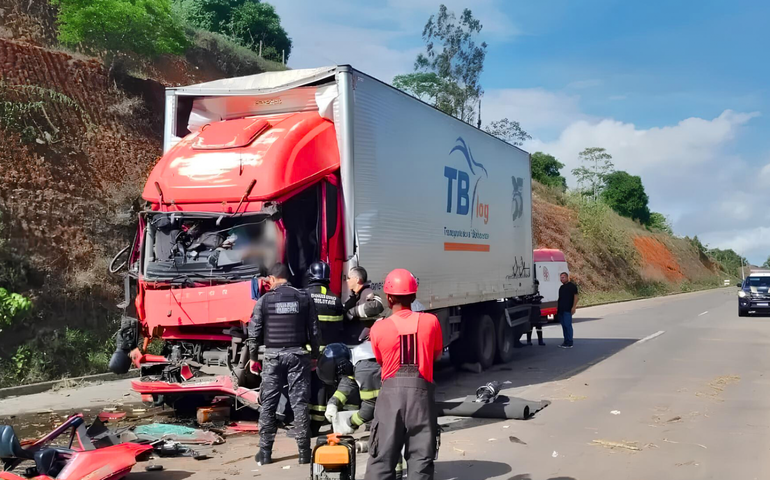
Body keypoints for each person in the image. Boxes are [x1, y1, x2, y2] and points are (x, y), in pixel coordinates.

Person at [364, 269, 443, 480]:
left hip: (390, 398)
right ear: (414, 296)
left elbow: (381, 361)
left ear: (388, 298)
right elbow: (436, 355)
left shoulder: (378, 329)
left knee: (381, 458)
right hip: (421, 397)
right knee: (421, 459)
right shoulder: (431, 322)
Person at [247, 263, 321, 466]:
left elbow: (253, 333)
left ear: (271, 279)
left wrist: (253, 358)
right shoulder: (304, 298)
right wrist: (315, 355)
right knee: (300, 405)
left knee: (268, 406)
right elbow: (314, 330)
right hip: (298, 356)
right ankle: (304, 454)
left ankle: (265, 454)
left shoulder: (264, 301)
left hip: (273, 358)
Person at [316, 343, 361, 425]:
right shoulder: (353, 365)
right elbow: (347, 383)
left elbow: (371, 403)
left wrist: (351, 423)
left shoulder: (364, 369)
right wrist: (332, 403)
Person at [305, 261, 346, 346]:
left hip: (308, 351)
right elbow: (341, 328)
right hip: (331, 351)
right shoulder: (336, 300)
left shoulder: (303, 297)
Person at [343, 266, 385, 342]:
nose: (347, 280)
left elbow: (377, 305)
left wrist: (353, 312)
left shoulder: (367, 293)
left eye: (349, 278)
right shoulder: (355, 296)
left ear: (357, 280)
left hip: (362, 341)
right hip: (352, 339)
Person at [557, 272, 579, 348]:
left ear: (567, 277)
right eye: (561, 277)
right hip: (561, 310)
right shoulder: (561, 288)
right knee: (563, 326)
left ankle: (570, 342)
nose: (561, 279)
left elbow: (576, 297)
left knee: (567, 325)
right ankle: (565, 341)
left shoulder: (572, 286)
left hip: (567, 309)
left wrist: (573, 307)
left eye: (563, 277)